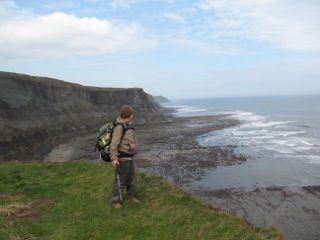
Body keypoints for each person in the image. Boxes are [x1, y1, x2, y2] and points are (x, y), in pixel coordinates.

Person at [110, 105, 140, 208]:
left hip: (129, 157)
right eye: (132, 113)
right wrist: (114, 159)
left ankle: (132, 196)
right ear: (129, 115)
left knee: (131, 178)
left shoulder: (127, 124)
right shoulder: (119, 127)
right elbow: (114, 143)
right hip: (122, 159)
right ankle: (116, 202)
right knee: (121, 180)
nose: (133, 115)